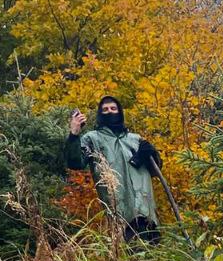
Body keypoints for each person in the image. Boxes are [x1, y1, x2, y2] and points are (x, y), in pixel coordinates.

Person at [65, 94, 161, 243]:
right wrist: (74, 134)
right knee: (130, 258)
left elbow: (156, 171)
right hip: (120, 211)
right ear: (100, 114)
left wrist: (153, 154)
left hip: (146, 210)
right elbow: (75, 162)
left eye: (113, 108)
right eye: (105, 109)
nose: (110, 111)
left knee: (154, 256)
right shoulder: (92, 139)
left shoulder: (135, 139)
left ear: (120, 112)